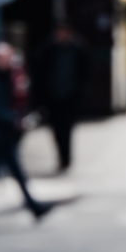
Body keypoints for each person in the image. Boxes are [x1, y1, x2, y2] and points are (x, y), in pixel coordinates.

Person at [0, 43, 53, 222]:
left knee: (18, 174)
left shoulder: (10, 78)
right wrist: (14, 120)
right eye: (4, 58)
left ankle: (33, 206)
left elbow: (16, 100)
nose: (8, 61)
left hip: (5, 137)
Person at [33, 22, 89, 172]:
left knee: (67, 129)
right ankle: (61, 156)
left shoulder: (77, 48)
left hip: (70, 97)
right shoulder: (48, 49)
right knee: (56, 129)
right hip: (53, 97)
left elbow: (86, 71)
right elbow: (39, 73)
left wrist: (80, 91)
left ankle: (66, 158)